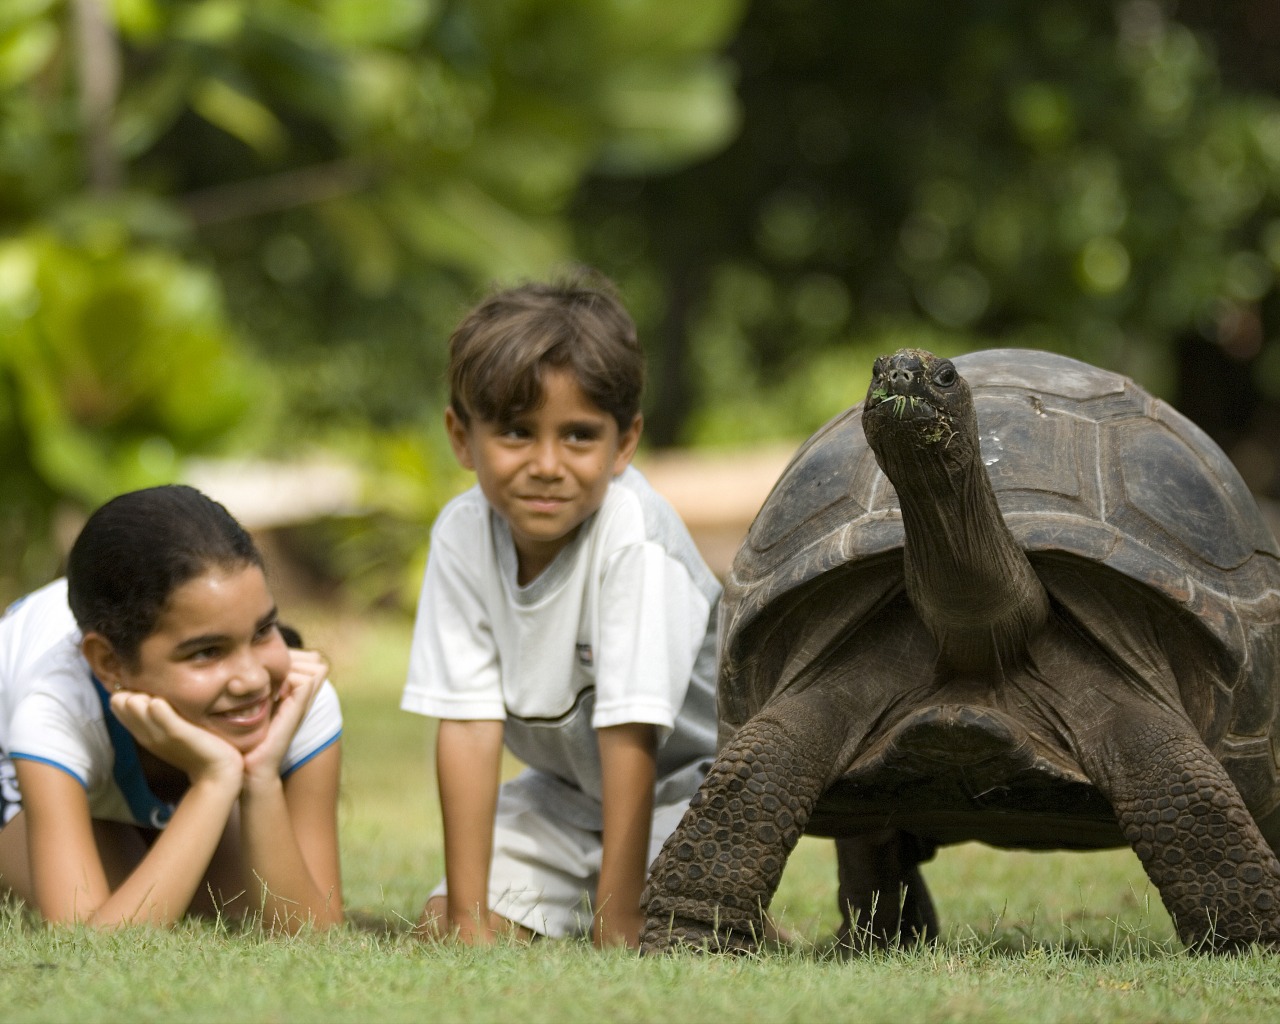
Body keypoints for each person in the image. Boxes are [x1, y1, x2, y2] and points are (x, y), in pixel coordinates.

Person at [402, 273, 720, 948]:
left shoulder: (633, 534)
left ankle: (695, 914)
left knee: (681, 936)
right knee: (444, 928)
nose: (547, 464)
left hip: (693, 795)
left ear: (623, 444)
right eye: (517, 433)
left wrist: (619, 916)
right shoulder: (462, 534)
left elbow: (630, 730)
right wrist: (466, 921)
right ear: (462, 438)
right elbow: (466, 724)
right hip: (566, 794)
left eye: (578, 436)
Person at [0, 485, 343, 931]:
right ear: (108, 662)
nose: (254, 679)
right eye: (206, 652)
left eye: (263, 631)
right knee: (143, 891)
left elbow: (317, 929)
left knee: (232, 900)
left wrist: (260, 778)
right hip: (15, 766)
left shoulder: (296, 693)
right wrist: (216, 780)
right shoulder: (54, 707)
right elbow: (86, 937)